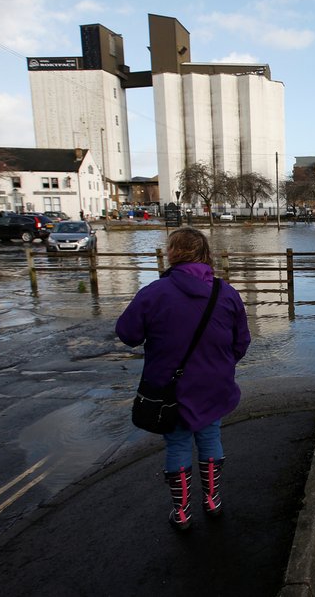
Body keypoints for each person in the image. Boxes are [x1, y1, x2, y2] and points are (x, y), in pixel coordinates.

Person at [116, 227, 250, 530]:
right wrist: (221, 365)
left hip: (169, 388)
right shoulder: (225, 293)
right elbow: (241, 341)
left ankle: (181, 513)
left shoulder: (153, 292)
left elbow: (128, 335)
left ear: (172, 253)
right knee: (210, 437)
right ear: (205, 254)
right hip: (213, 385)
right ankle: (213, 501)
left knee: (176, 445)